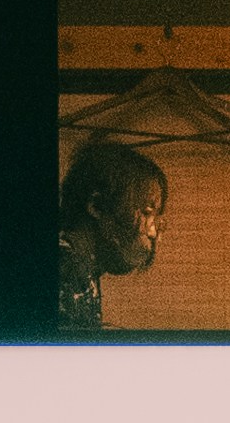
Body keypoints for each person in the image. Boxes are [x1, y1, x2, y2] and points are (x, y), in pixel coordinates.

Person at [54, 132, 167, 328]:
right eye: (146, 212)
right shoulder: (68, 265)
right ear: (97, 206)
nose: (152, 233)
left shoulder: (81, 262)